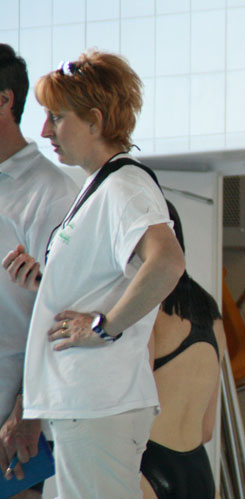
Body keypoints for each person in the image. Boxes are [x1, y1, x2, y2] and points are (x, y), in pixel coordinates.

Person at [2, 50, 185, 498]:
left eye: (57, 117)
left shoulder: (124, 184)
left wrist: (104, 326)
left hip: (99, 400)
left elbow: (167, 262)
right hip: (83, 401)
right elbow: (102, 281)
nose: (45, 131)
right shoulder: (99, 187)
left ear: (94, 121)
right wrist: (45, 283)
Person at [0, 44, 77, 498]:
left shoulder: (52, 193)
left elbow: (58, 312)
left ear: (4, 100)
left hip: (13, 411)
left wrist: (27, 410)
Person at [140, 200, 226, 499]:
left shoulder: (145, 304)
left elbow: (134, 402)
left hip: (148, 464)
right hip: (198, 470)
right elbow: (207, 429)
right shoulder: (210, 311)